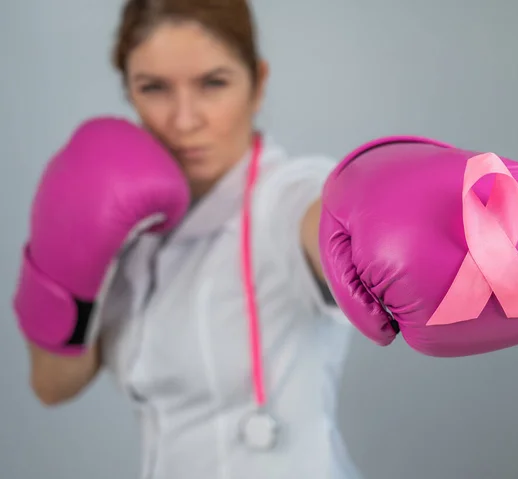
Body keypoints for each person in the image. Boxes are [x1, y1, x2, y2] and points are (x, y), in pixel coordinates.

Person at [23, 1, 363, 478]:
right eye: (154, 88)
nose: (184, 120)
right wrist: (63, 256)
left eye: (213, 83)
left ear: (258, 84)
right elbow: (52, 386)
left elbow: (327, 220)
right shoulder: (126, 224)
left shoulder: (286, 196)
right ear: (128, 92)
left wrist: (374, 226)